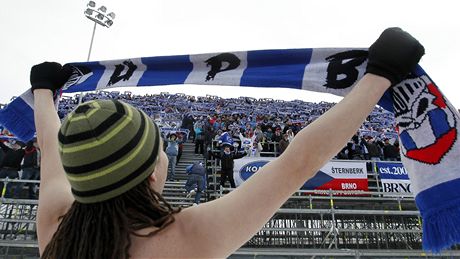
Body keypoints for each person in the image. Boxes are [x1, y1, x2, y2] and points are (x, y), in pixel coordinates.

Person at [32, 27, 424, 258]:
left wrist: (44, 94)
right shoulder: (186, 237)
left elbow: (50, 149)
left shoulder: (56, 226)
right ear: (153, 171)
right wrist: (380, 75)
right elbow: (299, 160)